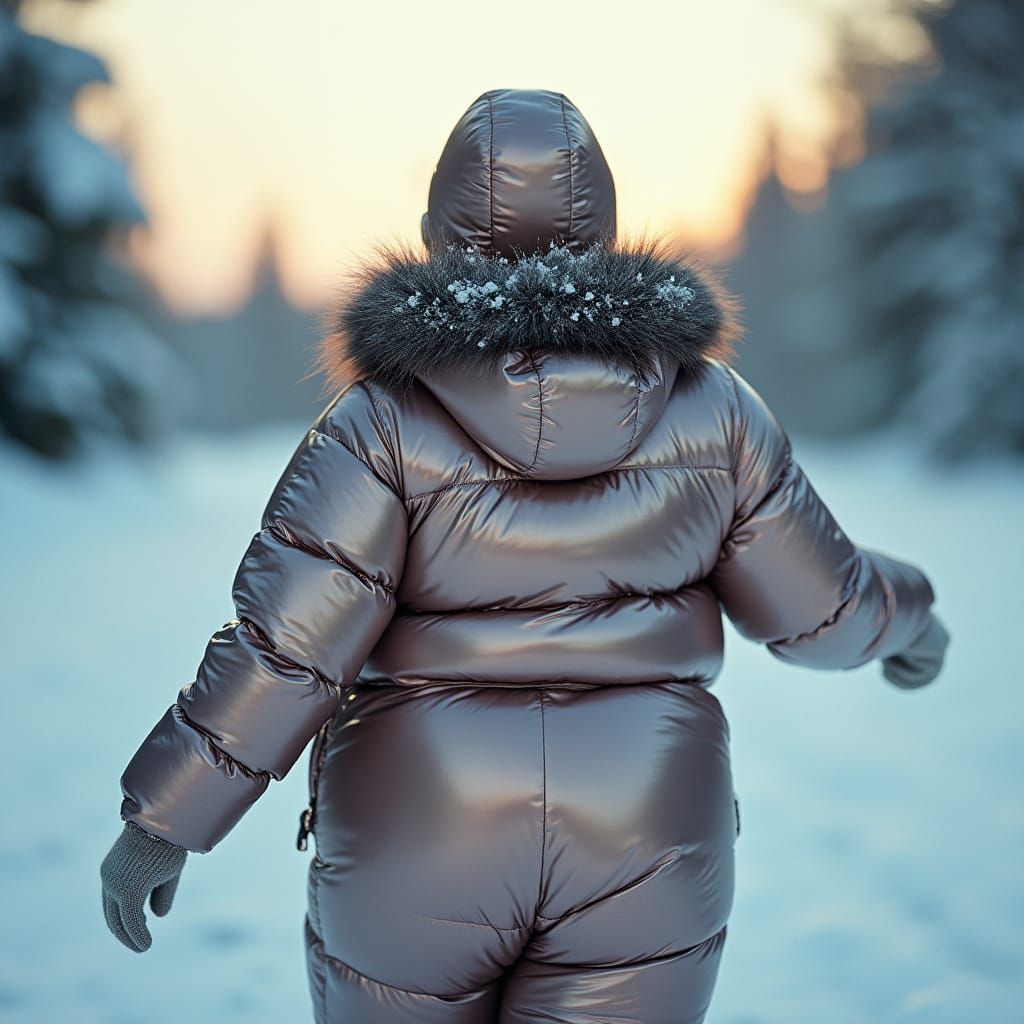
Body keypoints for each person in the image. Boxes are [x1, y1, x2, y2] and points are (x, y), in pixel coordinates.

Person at [100, 88, 950, 1023]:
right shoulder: (717, 411)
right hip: (647, 821)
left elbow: (285, 646)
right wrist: (910, 618)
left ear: (439, 229)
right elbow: (824, 606)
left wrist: (166, 819)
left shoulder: (379, 420)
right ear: (604, 225)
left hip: (420, 819)